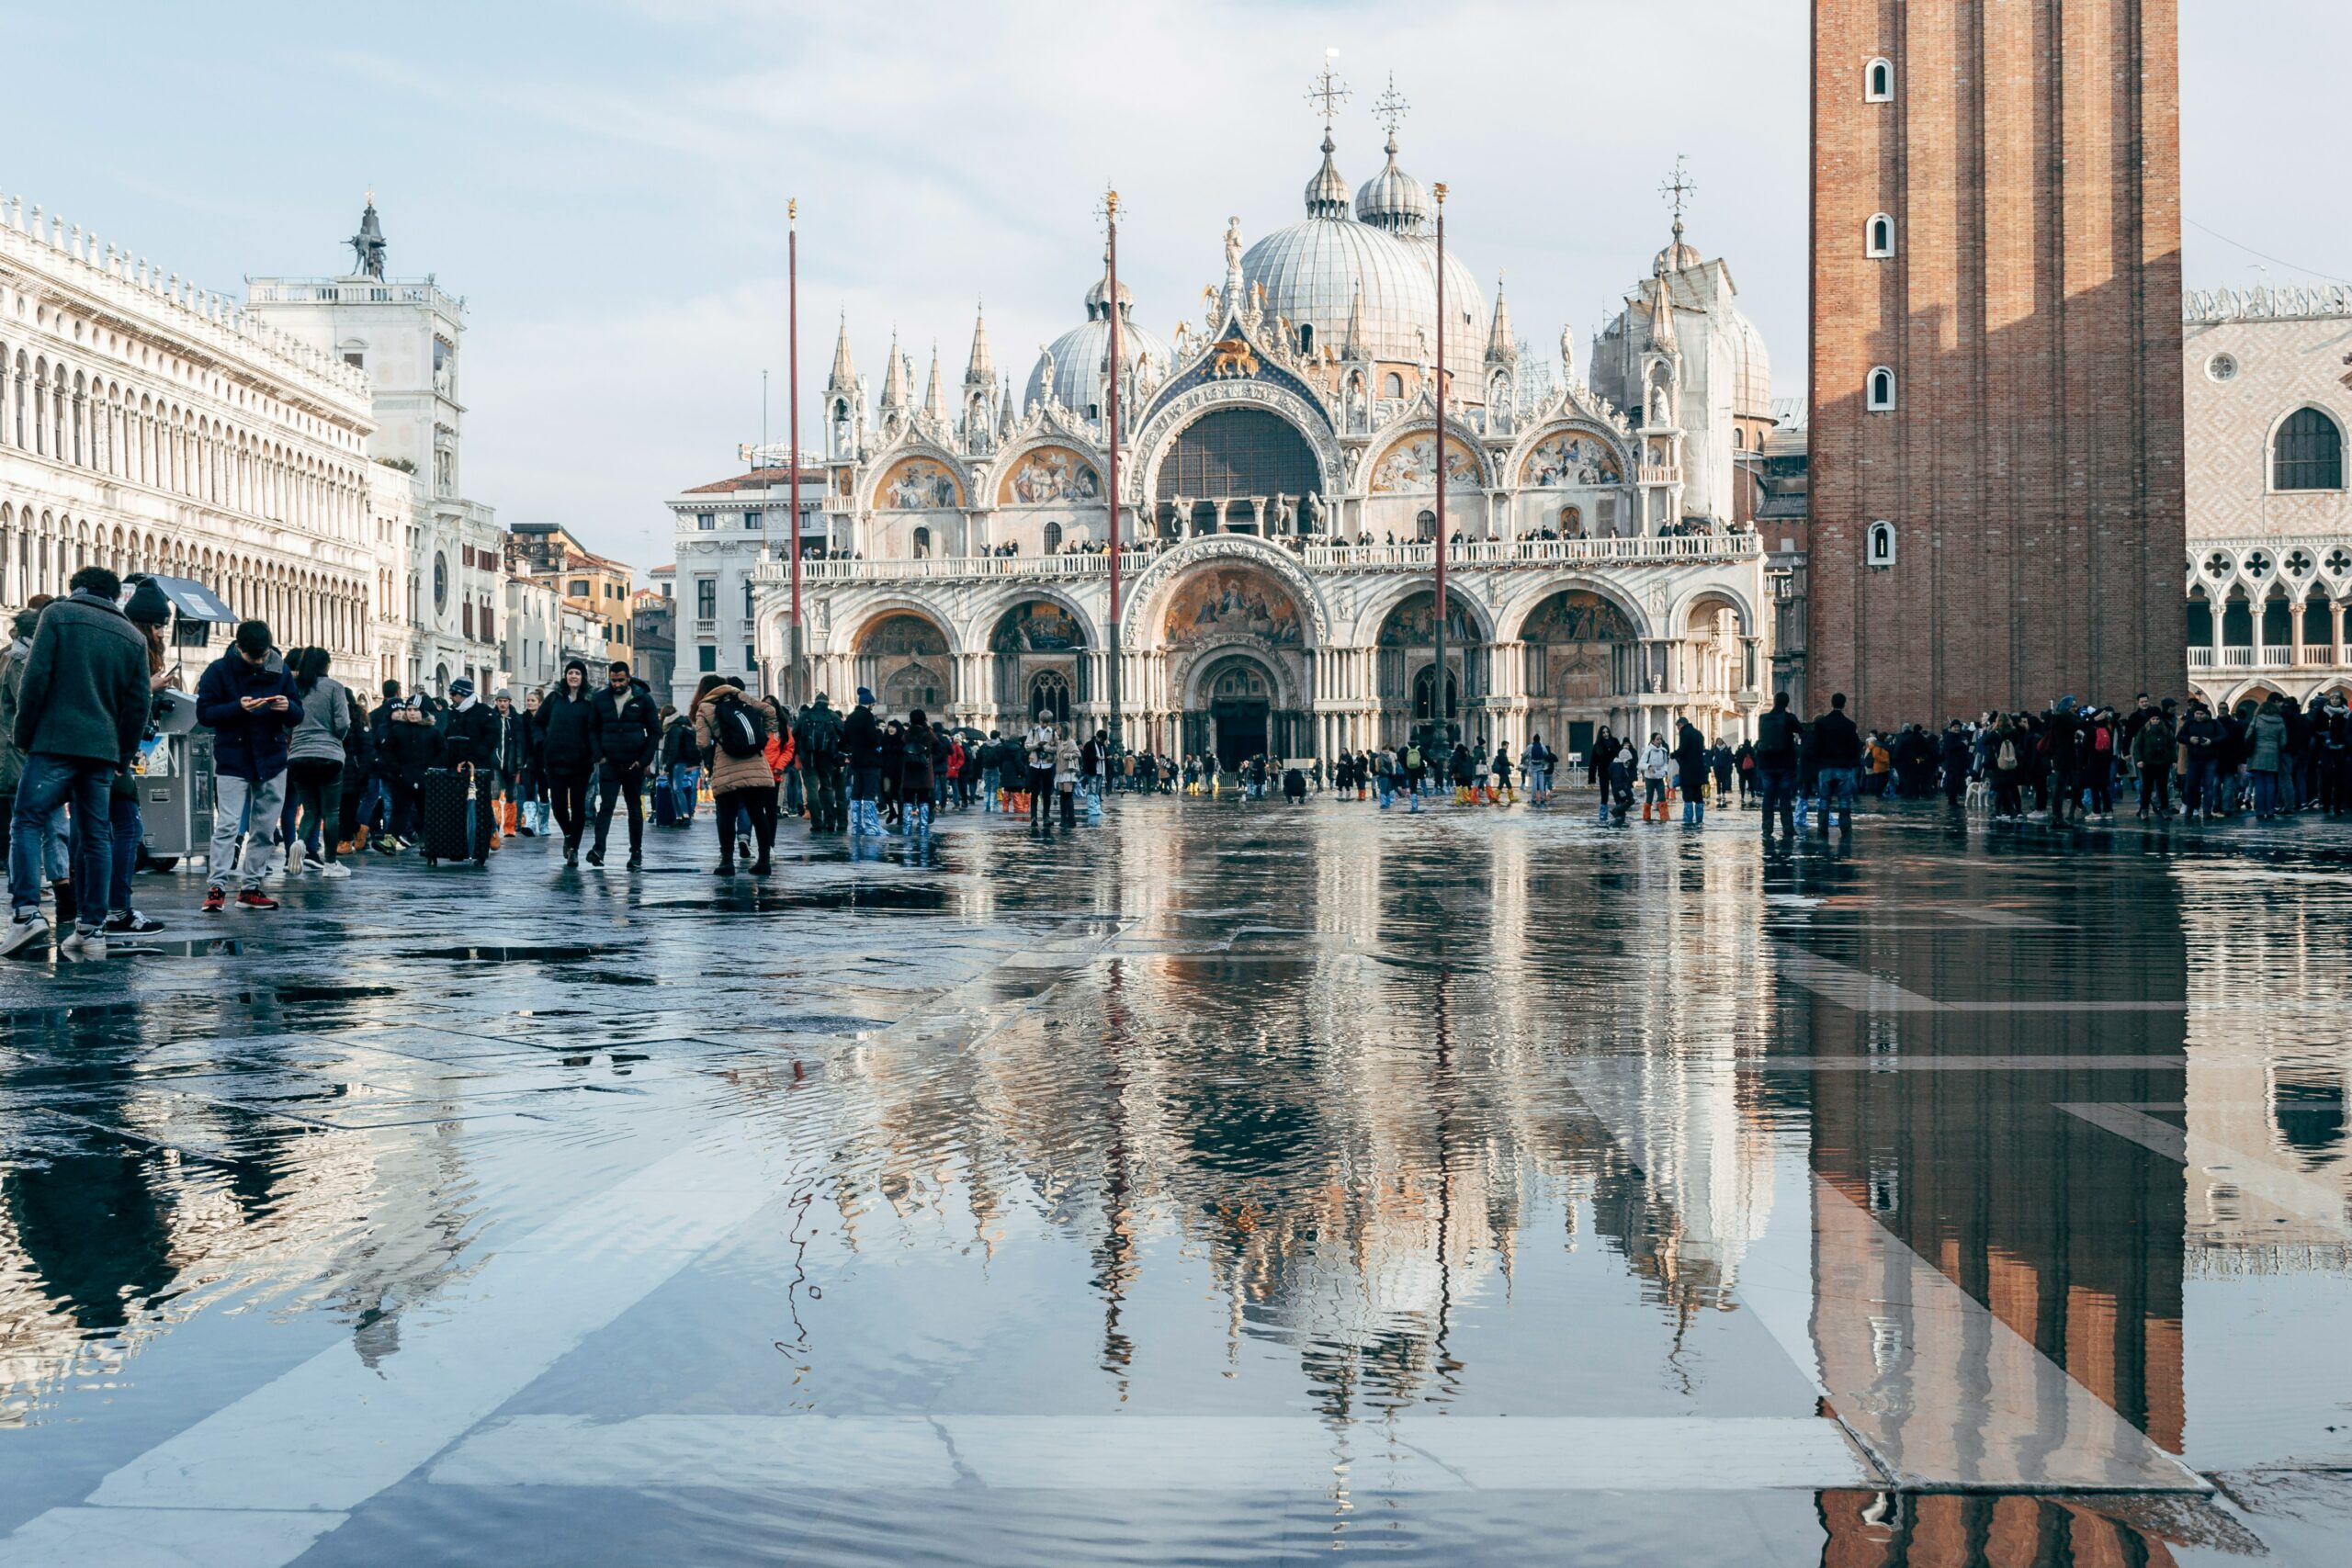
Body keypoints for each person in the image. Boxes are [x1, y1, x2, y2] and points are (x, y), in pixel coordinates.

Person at [3, 571, 151, 957]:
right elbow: (138, 706)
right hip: (102, 750)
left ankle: (26, 915)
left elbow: (36, 679)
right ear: (115, 596)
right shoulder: (132, 636)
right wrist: (123, 754)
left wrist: (24, 735)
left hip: (54, 741)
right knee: (96, 834)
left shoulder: (57, 615)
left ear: (77, 588)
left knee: (28, 820)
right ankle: (91, 928)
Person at [195, 618, 301, 918]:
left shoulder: (279, 669)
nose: (259, 661)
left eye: (263, 655)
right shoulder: (218, 671)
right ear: (238, 647)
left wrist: (287, 707)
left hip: (271, 756)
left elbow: (297, 712)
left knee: (265, 827)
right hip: (234, 757)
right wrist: (237, 707)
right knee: (228, 825)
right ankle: (216, 888)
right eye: (253, 656)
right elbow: (204, 713)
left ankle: (250, 887)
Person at [695, 676, 779, 874]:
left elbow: (703, 743)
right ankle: (764, 861)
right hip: (755, 763)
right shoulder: (741, 697)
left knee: (726, 815)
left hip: (727, 766)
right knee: (758, 814)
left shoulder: (705, 708)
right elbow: (770, 711)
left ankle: (727, 862)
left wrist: (713, 754)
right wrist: (763, 738)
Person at [285, 646, 354, 879]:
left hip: (299, 755)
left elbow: (286, 722)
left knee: (310, 809)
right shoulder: (334, 687)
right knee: (331, 812)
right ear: (326, 665)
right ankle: (331, 864)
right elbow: (343, 723)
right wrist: (337, 738)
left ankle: (300, 843)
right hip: (329, 755)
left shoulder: (295, 688)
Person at [587, 661, 659, 868]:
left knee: (634, 808)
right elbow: (592, 729)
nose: (616, 684)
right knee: (606, 806)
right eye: (613, 680)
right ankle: (599, 849)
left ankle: (636, 853)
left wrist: (644, 760)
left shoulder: (643, 699)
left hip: (633, 763)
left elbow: (654, 732)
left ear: (628, 678)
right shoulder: (600, 699)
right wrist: (598, 755)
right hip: (608, 761)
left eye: (620, 680)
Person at [535, 660, 598, 864]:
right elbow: (537, 722)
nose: (573, 676)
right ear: (565, 676)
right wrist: (542, 742)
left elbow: (596, 728)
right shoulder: (554, 698)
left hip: (581, 763)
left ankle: (574, 849)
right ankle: (568, 834)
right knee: (559, 806)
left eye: (577, 673)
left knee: (578, 807)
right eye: (570, 672)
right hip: (555, 760)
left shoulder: (590, 702)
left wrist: (592, 751)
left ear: (583, 678)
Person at [437, 677, 501, 865]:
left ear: (463, 695)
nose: (451, 698)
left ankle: (490, 833)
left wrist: (474, 758)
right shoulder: (453, 714)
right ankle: (458, 846)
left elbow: (492, 737)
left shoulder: (483, 713)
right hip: (455, 767)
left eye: (454, 694)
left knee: (480, 803)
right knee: (456, 805)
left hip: (478, 767)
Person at [1810, 693, 1862, 837]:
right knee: (1844, 800)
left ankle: (1822, 829)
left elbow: (1816, 746)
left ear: (1831, 703)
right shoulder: (1850, 725)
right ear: (1844, 704)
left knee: (1824, 800)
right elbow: (1855, 747)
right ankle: (1845, 830)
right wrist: (1851, 763)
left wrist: (1817, 765)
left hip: (1825, 767)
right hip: (1843, 767)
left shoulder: (1821, 724)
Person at [1754, 691, 1802, 842]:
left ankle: (1767, 829)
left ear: (1774, 702)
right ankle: (1787, 828)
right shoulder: (1789, 718)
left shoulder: (1763, 718)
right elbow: (1801, 730)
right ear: (1787, 703)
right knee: (1785, 798)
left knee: (1768, 797)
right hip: (1785, 764)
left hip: (1767, 764)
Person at [797, 693, 846, 832]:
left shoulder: (805, 715)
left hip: (808, 758)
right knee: (827, 787)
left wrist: (802, 750)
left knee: (812, 790)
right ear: (827, 703)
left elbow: (795, 733)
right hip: (827, 757)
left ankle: (817, 822)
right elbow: (843, 734)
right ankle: (830, 821)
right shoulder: (832, 716)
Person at [843, 687, 885, 837]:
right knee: (869, 791)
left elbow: (845, 738)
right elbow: (872, 738)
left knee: (857, 791)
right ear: (869, 703)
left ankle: (856, 825)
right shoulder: (867, 717)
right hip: (869, 760)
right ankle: (871, 825)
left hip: (856, 760)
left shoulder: (851, 717)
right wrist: (879, 734)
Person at [899, 708, 944, 837]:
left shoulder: (906, 734)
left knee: (908, 800)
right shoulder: (928, 733)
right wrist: (928, 759)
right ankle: (924, 827)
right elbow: (940, 750)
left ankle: (906, 827)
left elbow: (901, 749)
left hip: (909, 771)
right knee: (924, 799)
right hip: (924, 771)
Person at [2131, 704, 2177, 819]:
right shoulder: (2144, 731)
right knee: (2147, 788)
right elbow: (2137, 747)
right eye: (2153, 719)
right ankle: (2144, 810)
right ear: (2149, 720)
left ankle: (2164, 809)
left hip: (2163, 763)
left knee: (2162, 788)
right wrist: (2139, 760)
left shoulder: (2166, 731)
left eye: (2157, 719)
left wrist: (2173, 760)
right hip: (2148, 763)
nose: (2155, 721)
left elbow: (2172, 746)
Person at [660, 704, 700, 827]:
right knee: (674, 790)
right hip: (677, 761)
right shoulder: (678, 726)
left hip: (677, 762)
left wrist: (666, 767)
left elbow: (674, 750)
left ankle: (684, 816)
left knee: (677, 789)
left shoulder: (674, 729)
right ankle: (679, 816)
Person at [1673, 718, 1709, 826]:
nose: (1678, 729)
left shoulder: (1684, 733)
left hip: (1687, 769)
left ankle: (1688, 821)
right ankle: (1699, 820)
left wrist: (1672, 755)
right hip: (1698, 769)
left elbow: (1682, 750)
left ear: (1681, 725)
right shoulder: (1698, 733)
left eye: (1678, 727)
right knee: (1698, 795)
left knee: (1687, 795)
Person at [1025, 715, 1057, 828]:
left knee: (1047, 793)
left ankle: (1046, 816)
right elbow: (1027, 746)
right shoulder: (1033, 732)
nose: (1045, 724)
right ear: (1040, 721)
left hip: (1047, 765)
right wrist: (1037, 745)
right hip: (1034, 764)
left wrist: (1046, 748)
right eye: (1043, 722)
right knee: (1034, 793)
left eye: (1047, 722)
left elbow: (1057, 748)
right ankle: (1033, 817)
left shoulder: (1053, 733)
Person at [1053, 725, 1081, 829]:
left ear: (1064, 730)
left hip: (1068, 771)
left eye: (1059, 729)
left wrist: (1068, 756)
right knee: (1062, 796)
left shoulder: (1071, 742)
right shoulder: (1059, 742)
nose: (1057, 730)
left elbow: (1078, 754)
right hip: (1060, 771)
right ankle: (1063, 819)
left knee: (1068, 796)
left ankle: (1071, 819)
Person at [1638, 732, 1670, 822]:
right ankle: (1646, 818)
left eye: (1661, 739)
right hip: (1650, 779)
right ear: (1653, 741)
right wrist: (1648, 767)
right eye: (1657, 739)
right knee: (1649, 798)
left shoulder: (1663, 751)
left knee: (1662, 798)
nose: (1659, 741)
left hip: (1660, 778)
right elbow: (1640, 764)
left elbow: (1666, 763)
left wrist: (1665, 771)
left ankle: (1664, 818)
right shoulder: (1648, 751)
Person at [1524, 734, 1555, 806]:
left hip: (1533, 766)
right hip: (1540, 767)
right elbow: (1546, 754)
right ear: (1539, 739)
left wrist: (1525, 760)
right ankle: (1542, 798)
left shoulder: (1530, 747)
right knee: (1541, 783)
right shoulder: (1542, 746)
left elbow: (1524, 755)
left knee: (1534, 783)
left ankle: (1534, 799)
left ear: (1533, 739)